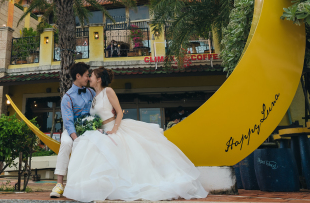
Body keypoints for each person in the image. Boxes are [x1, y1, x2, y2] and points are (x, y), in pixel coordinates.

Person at [63, 68, 207, 201]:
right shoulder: (94, 94)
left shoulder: (108, 91)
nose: (89, 78)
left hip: (113, 128)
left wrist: (114, 129)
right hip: (101, 131)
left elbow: (119, 111)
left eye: (92, 76)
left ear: (99, 79)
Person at [50, 62, 95, 199]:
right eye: (87, 75)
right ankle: (59, 184)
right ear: (78, 76)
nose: (88, 78)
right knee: (66, 143)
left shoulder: (91, 92)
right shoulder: (67, 97)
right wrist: (76, 138)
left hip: (89, 129)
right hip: (72, 130)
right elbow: (68, 122)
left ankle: (85, 183)